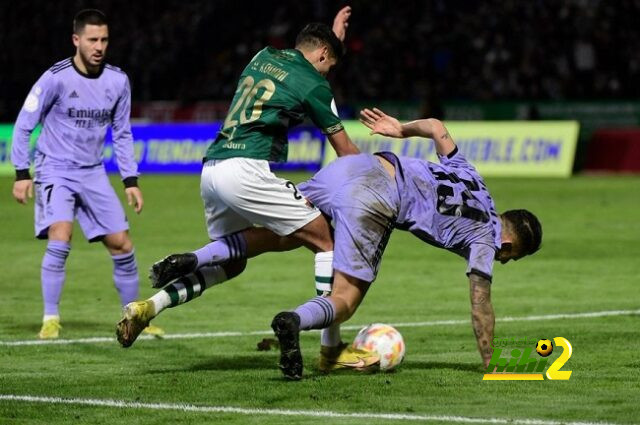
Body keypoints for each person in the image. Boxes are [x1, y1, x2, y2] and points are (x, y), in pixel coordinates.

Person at [117, 7, 363, 365]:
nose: (329, 74)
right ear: (323, 55)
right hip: (246, 170)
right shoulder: (315, 83)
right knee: (327, 238)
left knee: (233, 262)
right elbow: (346, 152)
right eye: (330, 65)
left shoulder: (264, 55)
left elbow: (307, 62)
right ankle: (331, 348)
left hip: (213, 169)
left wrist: (332, 41)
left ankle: (149, 306)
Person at [269, 109, 542, 379]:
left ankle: (227, 248)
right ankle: (296, 320)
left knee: (280, 232)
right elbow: (480, 303)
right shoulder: (484, 240)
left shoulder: (473, 178)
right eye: (511, 256)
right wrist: (490, 361)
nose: (504, 261)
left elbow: (436, 126)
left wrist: (401, 130)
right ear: (506, 244)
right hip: (377, 194)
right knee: (346, 298)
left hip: (357, 165)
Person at [11, 9, 162, 339]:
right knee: (61, 236)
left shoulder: (118, 81)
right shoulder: (55, 78)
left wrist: (130, 180)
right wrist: (22, 172)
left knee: (122, 244)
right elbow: (24, 124)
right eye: (92, 39)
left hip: (93, 172)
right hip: (55, 169)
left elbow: (122, 133)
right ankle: (51, 318)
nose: (99, 46)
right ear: (76, 40)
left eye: (104, 39)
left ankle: (135, 318)